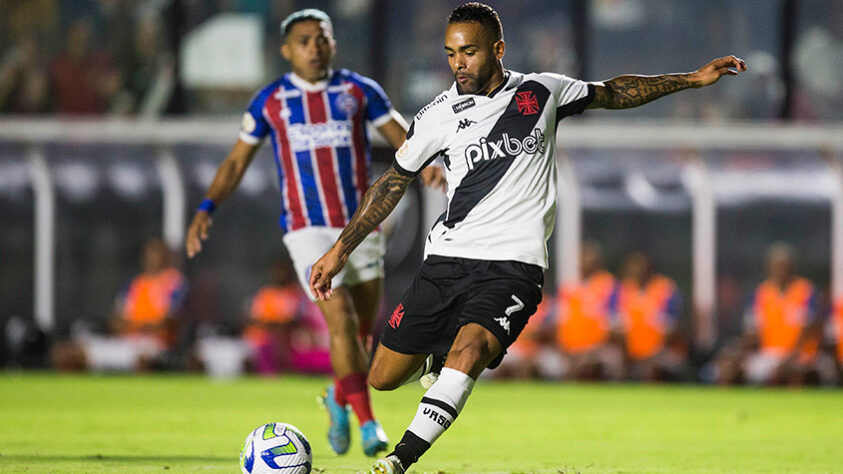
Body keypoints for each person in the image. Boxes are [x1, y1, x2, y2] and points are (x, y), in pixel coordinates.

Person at [307, 3, 746, 472]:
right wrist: (339, 249)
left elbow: (615, 92)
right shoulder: (436, 114)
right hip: (447, 259)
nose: (459, 64)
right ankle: (436, 358)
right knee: (383, 377)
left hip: (513, 266)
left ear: (497, 49)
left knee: (470, 350)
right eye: (451, 53)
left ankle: (400, 459)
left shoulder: (542, 92)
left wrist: (691, 79)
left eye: (470, 52)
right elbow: (391, 183)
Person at [184, 9, 443, 457]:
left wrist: (426, 167)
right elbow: (235, 162)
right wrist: (207, 206)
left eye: (321, 39)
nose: (313, 47)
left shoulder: (357, 91)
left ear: (332, 44)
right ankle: (368, 425)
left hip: (359, 226)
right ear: (286, 50)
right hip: (305, 228)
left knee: (362, 337)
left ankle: (338, 398)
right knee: (338, 320)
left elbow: (403, 135)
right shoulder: (270, 101)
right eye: (303, 40)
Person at [51, 238, 187, 372]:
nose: (152, 258)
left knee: (145, 360)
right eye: (149, 253)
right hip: (125, 342)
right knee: (65, 354)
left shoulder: (174, 283)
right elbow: (115, 321)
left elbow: (167, 323)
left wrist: (135, 325)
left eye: (157, 253)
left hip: (153, 344)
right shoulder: (134, 285)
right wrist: (141, 325)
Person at [715, 243, 828, 385]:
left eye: (784, 266)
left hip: (802, 355)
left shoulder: (806, 292)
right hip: (769, 354)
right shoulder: (761, 294)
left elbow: (810, 329)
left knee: (794, 372)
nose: (780, 271)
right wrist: (738, 353)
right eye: (776, 266)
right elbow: (753, 331)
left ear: (792, 267)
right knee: (730, 368)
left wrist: (791, 357)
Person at [242, 258, 331, 375]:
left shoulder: (297, 294)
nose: (280, 274)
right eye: (277, 271)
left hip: (291, 341)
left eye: (283, 270)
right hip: (263, 340)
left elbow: (296, 321)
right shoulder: (265, 294)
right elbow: (255, 321)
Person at [613, 251, 686, 381]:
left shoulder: (665, 289)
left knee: (657, 367)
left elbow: (673, 329)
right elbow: (616, 327)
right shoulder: (623, 290)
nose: (637, 271)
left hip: (661, 352)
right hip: (630, 354)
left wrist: (651, 354)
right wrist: (631, 354)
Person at [555, 241, 622, 381]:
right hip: (569, 351)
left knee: (607, 362)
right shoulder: (569, 287)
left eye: (589, 259)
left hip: (600, 350)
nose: (585, 262)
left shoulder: (609, 286)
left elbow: (617, 325)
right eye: (582, 258)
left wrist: (593, 350)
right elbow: (560, 322)